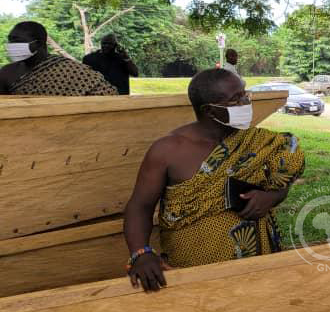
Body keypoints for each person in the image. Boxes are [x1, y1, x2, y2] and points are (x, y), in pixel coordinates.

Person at [123, 69, 305, 291]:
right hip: (191, 269)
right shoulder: (168, 150)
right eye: (235, 100)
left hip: (256, 264)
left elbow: (281, 183)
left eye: (244, 95)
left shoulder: (258, 143)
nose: (245, 103)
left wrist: (271, 197)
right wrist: (141, 253)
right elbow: (139, 206)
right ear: (209, 110)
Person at [1, 21, 118, 96]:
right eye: (10, 40)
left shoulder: (72, 71)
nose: (11, 45)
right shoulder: (6, 72)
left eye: (17, 41)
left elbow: (108, 96)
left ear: (39, 43)